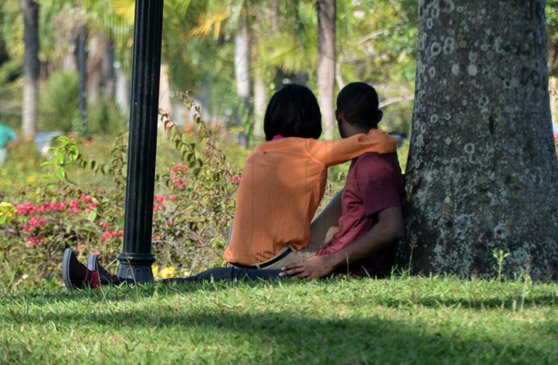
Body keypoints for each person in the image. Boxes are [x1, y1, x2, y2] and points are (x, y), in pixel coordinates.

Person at [62, 84, 397, 289]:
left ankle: (107, 282)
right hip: (274, 265)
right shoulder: (314, 151)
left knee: (187, 284)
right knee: (193, 283)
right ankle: (105, 283)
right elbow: (373, 142)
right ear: (318, 121)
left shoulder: (257, 155)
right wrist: (387, 137)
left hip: (241, 262)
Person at [280, 82, 405, 279]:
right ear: (378, 117)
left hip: (339, 269)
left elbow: (391, 226)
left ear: (339, 116)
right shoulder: (376, 155)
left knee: (227, 274)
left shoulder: (372, 164)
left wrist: (328, 263)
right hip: (329, 261)